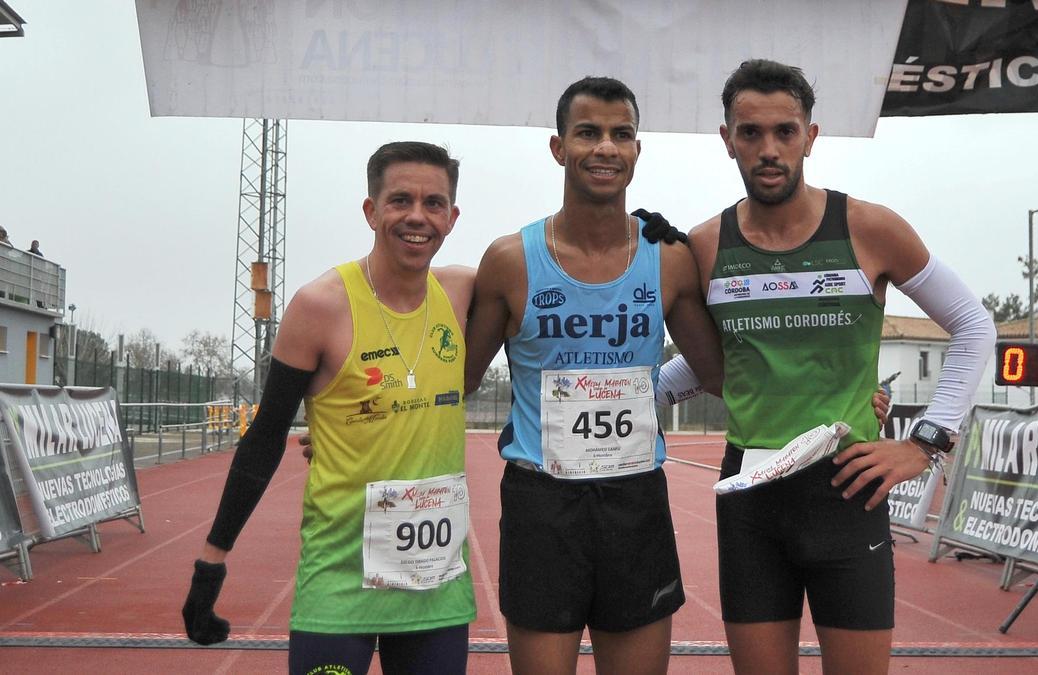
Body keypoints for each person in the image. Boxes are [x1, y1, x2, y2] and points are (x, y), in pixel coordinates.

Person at [685, 59, 996, 674]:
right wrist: (613, 392)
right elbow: (705, 366)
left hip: (845, 491)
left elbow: (974, 325)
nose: (768, 149)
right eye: (750, 133)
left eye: (785, 131)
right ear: (727, 140)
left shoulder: (870, 228)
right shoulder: (703, 245)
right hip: (750, 497)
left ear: (811, 136)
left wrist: (926, 442)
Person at [180, 141, 478, 675]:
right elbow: (267, 435)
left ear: (452, 217)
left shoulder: (460, 291)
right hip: (339, 580)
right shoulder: (320, 305)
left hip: (435, 582)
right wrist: (212, 562)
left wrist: (633, 230)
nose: (417, 216)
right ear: (370, 210)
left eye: (434, 203)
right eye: (400, 200)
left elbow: (550, 269)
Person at [463, 76, 727, 675]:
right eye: (588, 133)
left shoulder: (670, 258)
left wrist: (841, 390)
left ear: (637, 150)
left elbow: (719, 375)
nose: (605, 148)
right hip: (542, 504)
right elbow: (458, 380)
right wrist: (347, 417)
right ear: (559, 147)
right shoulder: (510, 261)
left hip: (634, 502)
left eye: (621, 134)